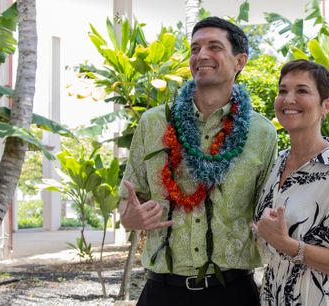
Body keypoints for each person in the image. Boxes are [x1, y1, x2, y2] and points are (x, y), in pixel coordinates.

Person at [119, 16, 278, 306]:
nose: (201, 55)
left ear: (240, 61)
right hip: (162, 292)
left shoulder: (261, 133)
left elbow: (267, 211)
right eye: (195, 48)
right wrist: (129, 218)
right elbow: (130, 198)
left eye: (214, 47)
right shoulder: (154, 122)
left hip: (233, 292)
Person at [253, 59, 329, 306]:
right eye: (283, 90)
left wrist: (287, 245)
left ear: (325, 106)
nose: (288, 99)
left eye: (302, 91)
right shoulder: (277, 163)